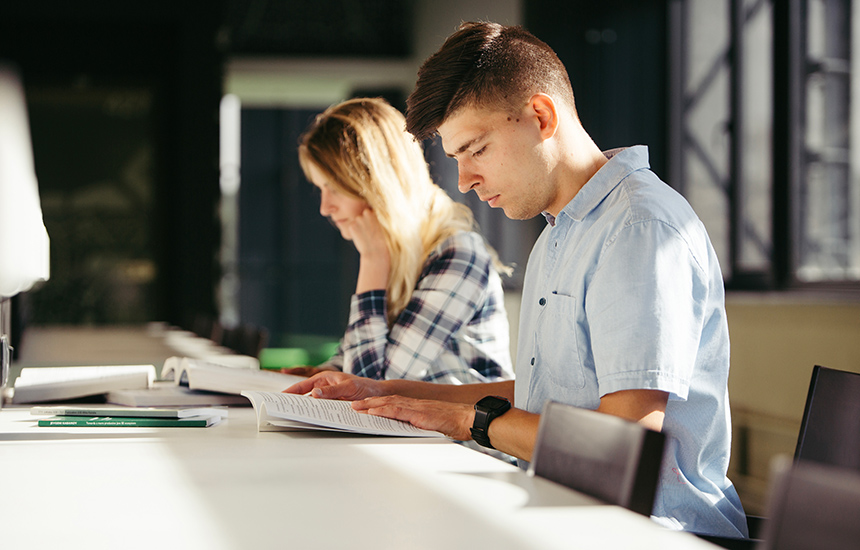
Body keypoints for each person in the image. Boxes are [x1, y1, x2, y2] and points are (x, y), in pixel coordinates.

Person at [286, 22, 747, 538]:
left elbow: (623, 442)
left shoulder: (639, 229)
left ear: (541, 116)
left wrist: (468, 421)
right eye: (456, 159)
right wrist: (384, 389)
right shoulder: (559, 232)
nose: (464, 181)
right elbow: (543, 393)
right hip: (558, 502)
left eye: (476, 150)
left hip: (648, 531)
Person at [288, 97, 514, 385]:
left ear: (374, 182)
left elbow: (373, 385)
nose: (325, 207)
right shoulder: (399, 253)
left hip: (460, 431)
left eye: (333, 187)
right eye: (320, 189)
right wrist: (319, 373)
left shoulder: (458, 254)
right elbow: (356, 359)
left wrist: (372, 263)